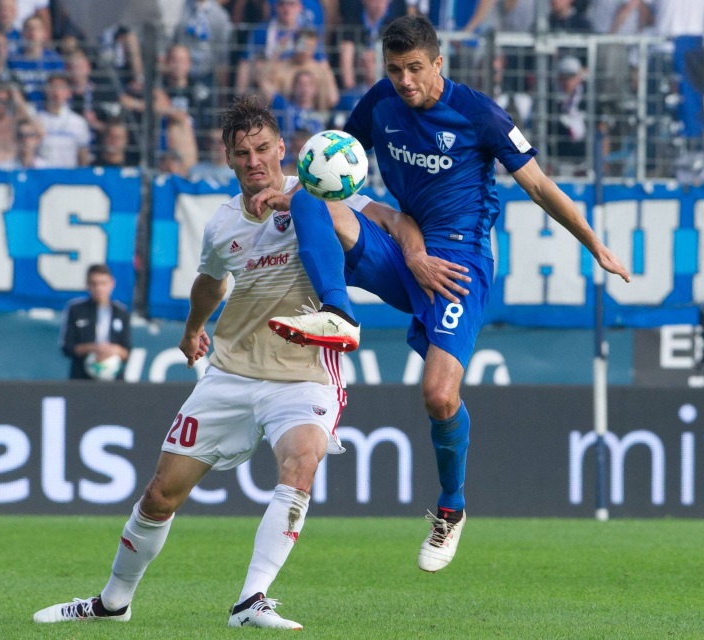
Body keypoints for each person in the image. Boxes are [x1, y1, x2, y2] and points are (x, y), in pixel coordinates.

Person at [33, 94, 452, 628]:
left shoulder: (320, 192)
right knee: (161, 495)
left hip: (303, 372)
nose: (254, 160)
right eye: (242, 152)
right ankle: (113, 601)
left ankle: (251, 600)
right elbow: (210, 283)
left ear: (282, 148)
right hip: (230, 373)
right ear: (228, 160)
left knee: (302, 463)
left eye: (262, 148)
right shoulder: (222, 224)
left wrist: (416, 256)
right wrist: (192, 331)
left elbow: (395, 220)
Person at [259, 14, 630, 573]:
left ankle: (451, 508)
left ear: (439, 63)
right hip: (406, 248)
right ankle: (336, 312)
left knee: (438, 396)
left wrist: (593, 244)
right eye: (394, 69)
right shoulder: (379, 103)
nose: (405, 81)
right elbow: (331, 166)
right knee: (312, 202)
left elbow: (539, 186)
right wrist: (288, 189)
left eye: (414, 69)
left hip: (459, 263)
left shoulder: (478, 113)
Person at [57, 263, 131, 381]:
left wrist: (111, 350)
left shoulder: (121, 312)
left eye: (103, 283)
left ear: (111, 284)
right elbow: (67, 346)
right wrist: (94, 348)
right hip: (82, 378)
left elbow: (127, 351)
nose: (99, 288)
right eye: (94, 284)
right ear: (88, 285)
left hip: (114, 379)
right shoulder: (76, 310)